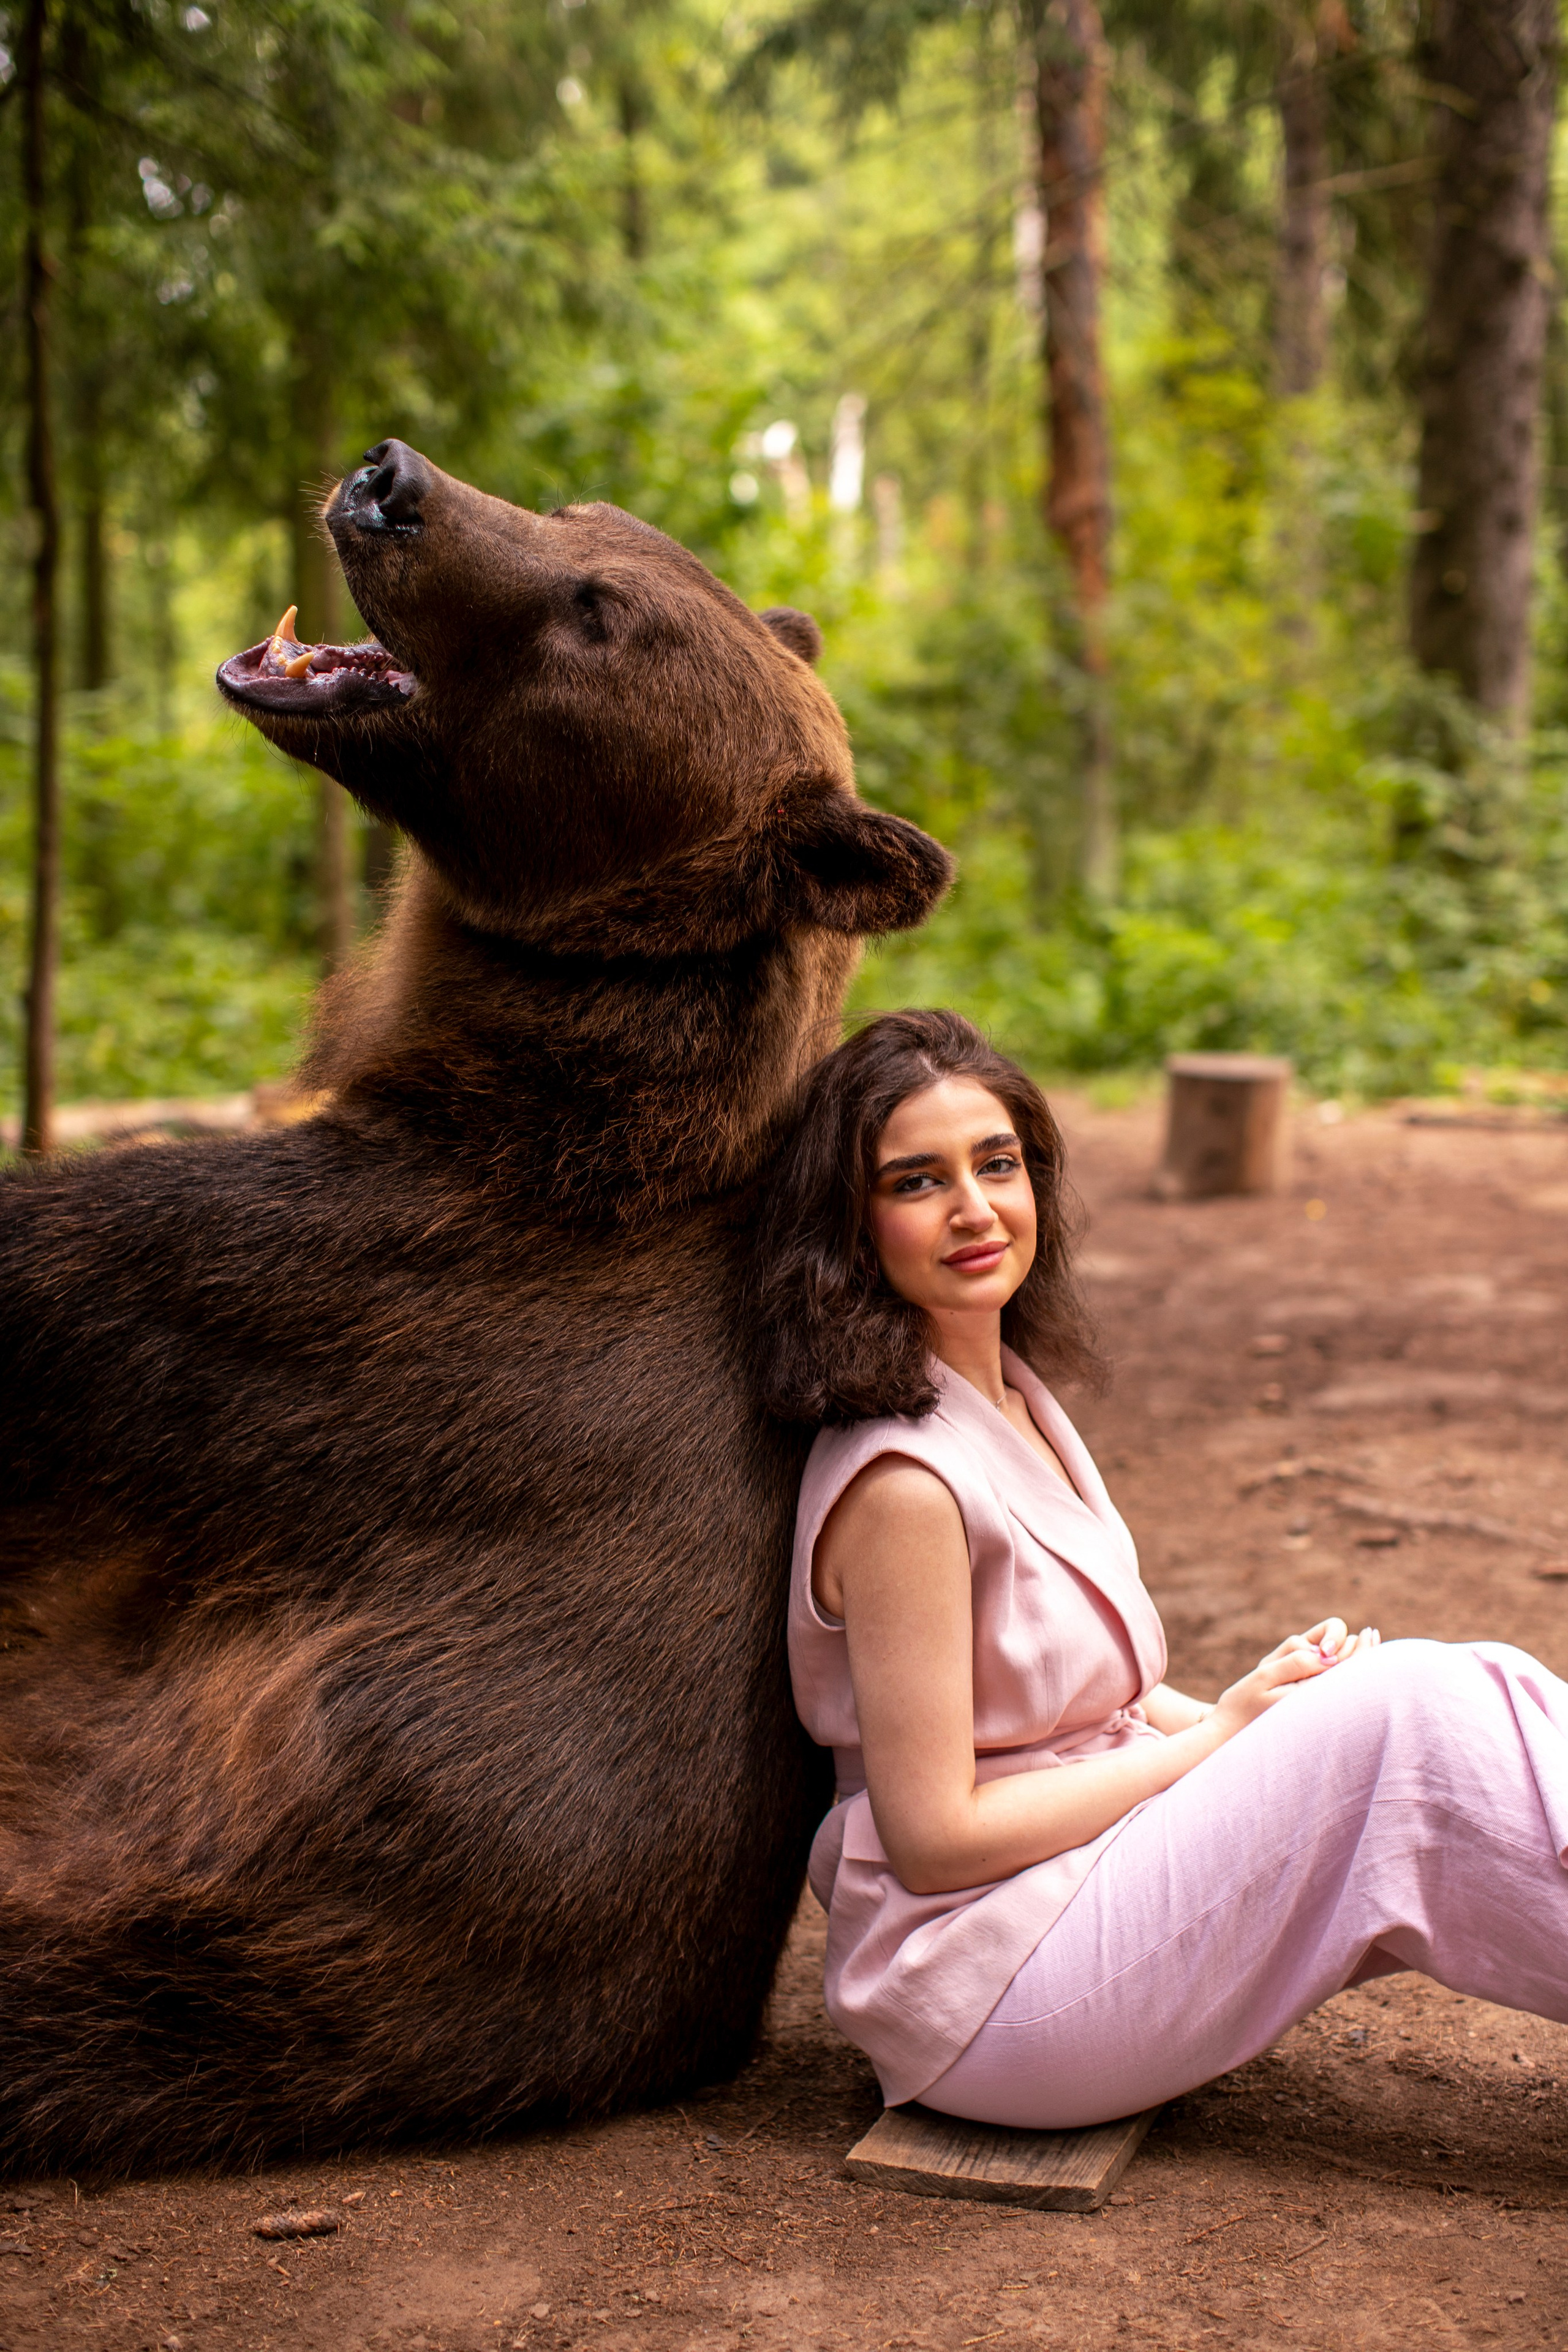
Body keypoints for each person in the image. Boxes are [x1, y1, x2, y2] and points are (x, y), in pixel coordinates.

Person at [758, 1008, 1568, 2130]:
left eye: (997, 1163)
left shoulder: (1011, 1404)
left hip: (1076, 1887)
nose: (975, 1209)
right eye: (916, 1182)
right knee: (1414, 1720)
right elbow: (935, 1843)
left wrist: (1270, 1707)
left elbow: (1089, 1707)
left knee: (1460, 1681)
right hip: (991, 1985)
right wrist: (1225, 1738)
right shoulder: (903, 1489)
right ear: (852, 1226)